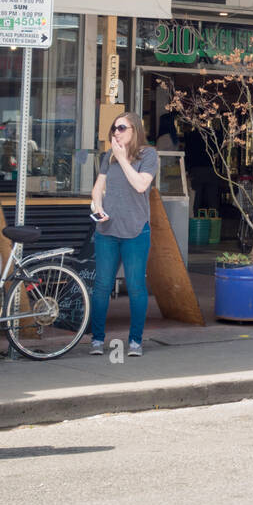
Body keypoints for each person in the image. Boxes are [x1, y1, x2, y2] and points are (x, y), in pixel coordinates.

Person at [89, 112, 158, 357]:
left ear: (134, 131)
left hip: (136, 230)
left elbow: (140, 185)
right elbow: (98, 188)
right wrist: (98, 206)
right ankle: (97, 340)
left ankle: (135, 342)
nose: (115, 132)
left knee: (137, 286)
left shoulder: (148, 155)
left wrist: (123, 158)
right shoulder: (109, 156)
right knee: (102, 286)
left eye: (121, 128)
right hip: (107, 230)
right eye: (113, 128)